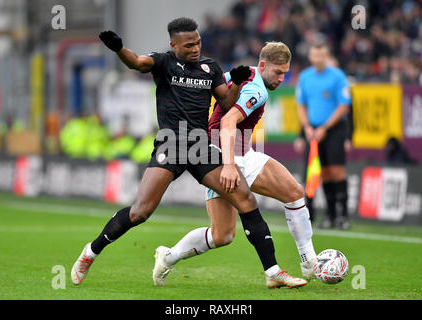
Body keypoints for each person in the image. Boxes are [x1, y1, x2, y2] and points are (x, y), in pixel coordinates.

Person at [70, 18, 296, 289]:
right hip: (171, 144)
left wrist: (235, 84)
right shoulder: (163, 62)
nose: (195, 48)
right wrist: (119, 49)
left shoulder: (209, 67)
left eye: (198, 42)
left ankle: (272, 272)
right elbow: (136, 63)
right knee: (140, 212)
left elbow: (225, 102)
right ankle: (90, 253)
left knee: (245, 197)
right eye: (189, 45)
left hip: (200, 146)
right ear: (173, 44)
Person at [153, 42, 312, 288]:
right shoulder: (256, 91)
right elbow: (228, 122)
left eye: (286, 73)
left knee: (293, 193)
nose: (282, 78)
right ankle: (169, 256)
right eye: (278, 72)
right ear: (262, 65)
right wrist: (227, 165)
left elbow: (215, 93)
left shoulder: (242, 74)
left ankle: (309, 263)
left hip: (243, 154)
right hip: (221, 156)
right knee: (223, 234)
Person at [296, 42, 351, 230]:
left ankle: (343, 215)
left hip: (333, 130)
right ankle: (330, 215)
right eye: (315, 55)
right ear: (311, 57)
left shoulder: (337, 76)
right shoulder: (305, 77)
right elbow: (301, 105)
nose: (318, 59)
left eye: (322, 56)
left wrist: (325, 127)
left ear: (326, 56)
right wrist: (306, 128)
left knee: (336, 171)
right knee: (322, 173)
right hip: (313, 131)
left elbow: (344, 106)